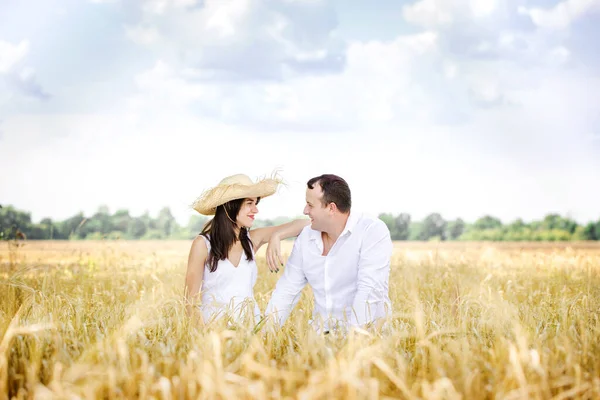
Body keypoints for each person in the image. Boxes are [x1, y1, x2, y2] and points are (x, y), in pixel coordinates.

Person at [265, 174, 393, 333]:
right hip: (320, 343)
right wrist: (264, 335)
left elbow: (369, 292)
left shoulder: (371, 231)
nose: (305, 210)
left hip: (368, 339)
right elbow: (286, 291)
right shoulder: (306, 237)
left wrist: (352, 344)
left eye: (310, 205)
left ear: (331, 208)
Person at [184, 173, 309, 326]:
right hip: (214, 334)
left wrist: (277, 235)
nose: (255, 210)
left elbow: (305, 224)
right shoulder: (203, 244)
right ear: (231, 204)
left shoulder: (252, 240)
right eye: (249, 203)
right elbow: (190, 300)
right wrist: (201, 338)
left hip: (251, 332)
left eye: (256, 203)